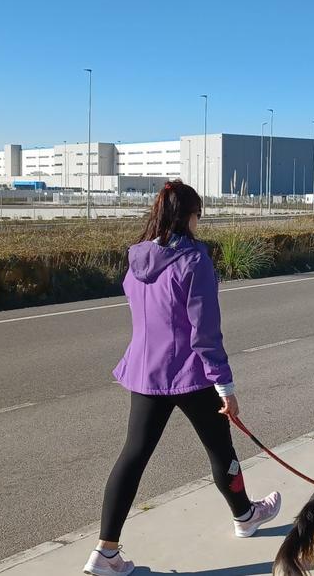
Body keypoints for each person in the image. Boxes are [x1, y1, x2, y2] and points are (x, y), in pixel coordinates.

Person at [85, 180, 282, 576]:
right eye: (198, 214)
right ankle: (245, 516)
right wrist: (225, 386)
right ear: (187, 216)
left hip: (145, 371)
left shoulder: (137, 257)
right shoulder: (194, 260)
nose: (199, 222)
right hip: (190, 374)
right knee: (219, 448)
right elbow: (205, 331)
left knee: (133, 455)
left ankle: (105, 552)